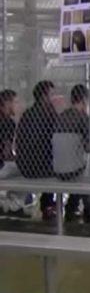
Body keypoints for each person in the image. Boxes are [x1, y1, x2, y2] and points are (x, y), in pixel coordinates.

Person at [16, 81, 58, 220]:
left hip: (25, 166)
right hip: (41, 166)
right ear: (44, 97)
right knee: (59, 168)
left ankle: (47, 205)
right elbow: (51, 143)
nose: (53, 98)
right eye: (51, 94)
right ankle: (49, 206)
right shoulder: (48, 115)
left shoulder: (28, 114)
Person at [53, 84, 90, 223]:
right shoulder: (83, 118)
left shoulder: (61, 117)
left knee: (81, 170)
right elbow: (89, 148)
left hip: (57, 169)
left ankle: (72, 207)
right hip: (73, 170)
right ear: (83, 100)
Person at [0, 89, 26, 218]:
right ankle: (14, 205)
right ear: (6, 103)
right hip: (1, 166)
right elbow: (6, 151)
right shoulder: (8, 122)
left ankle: (8, 201)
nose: (18, 105)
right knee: (26, 171)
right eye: (15, 102)